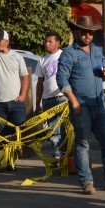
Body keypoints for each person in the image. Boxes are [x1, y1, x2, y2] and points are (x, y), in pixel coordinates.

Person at [55, 15, 105, 195]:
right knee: (83, 144)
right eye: (84, 32)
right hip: (81, 107)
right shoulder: (69, 54)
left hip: (99, 104)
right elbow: (61, 80)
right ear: (76, 32)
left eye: (91, 33)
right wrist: (74, 102)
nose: (88, 36)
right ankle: (87, 182)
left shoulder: (97, 51)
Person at [34, 31, 67, 159]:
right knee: (53, 131)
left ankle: (66, 156)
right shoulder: (42, 60)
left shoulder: (65, 56)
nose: (46, 44)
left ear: (58, 43)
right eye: (45, 41)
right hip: (48, 100)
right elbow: (40, 83)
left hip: (63, 97)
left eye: (50, 41)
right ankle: (56, 158)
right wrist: (38, 103)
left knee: (65, 129)